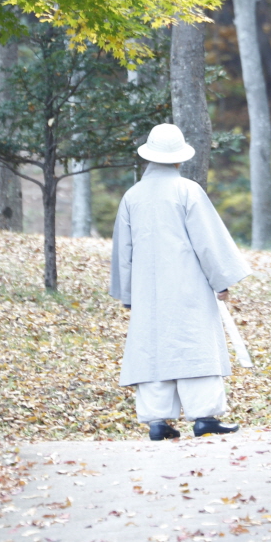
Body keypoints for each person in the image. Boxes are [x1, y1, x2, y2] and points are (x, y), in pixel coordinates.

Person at [110, 122, 249, 441]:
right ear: (178, 157)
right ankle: (204, 416)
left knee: (153, 348)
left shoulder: (132, 196)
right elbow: (207, 242)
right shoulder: (187, 191)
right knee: (194, 343)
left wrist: (128, 293)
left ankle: (158, 421)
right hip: (189, 284)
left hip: (148, 289)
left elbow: (124, 251)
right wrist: (221, 280)